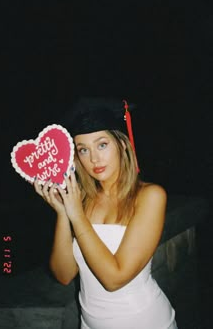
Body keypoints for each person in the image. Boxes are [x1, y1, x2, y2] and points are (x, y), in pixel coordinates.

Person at [33, 96, 178, 329]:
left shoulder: (150, 196)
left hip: (143, 322)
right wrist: (62, 213)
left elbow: (114, 279)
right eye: (83, 150)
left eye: (102, 145)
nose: (94, 159)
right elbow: (63, 274)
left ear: (121, 144)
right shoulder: (83, 200)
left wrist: (77, 216)